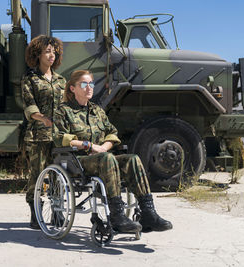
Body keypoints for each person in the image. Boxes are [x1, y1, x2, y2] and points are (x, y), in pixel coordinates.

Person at [53, 70, 173, 233]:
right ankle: (117, 216)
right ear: (73, 88)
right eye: (84, 84)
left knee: (133, 159)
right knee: (107, 159)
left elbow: (112, 133)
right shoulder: (63, 111)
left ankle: (148, 213)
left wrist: (103, 148)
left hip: (102, 157)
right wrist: (89, 145)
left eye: (91, 84)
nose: (89, 87)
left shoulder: (97, 110)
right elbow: (60, 137)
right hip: (77, 160)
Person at [21, 35, 66, 229]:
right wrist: (42, 118)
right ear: (37, 54)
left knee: (59, 175)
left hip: (58, 137)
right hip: (38, 135)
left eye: (54, 52)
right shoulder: (30, 79)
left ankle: (57, 213)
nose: (51, 55)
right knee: (36, 175)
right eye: (47, 51)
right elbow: (28, 105)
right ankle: (35, 213)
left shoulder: (61, 80)